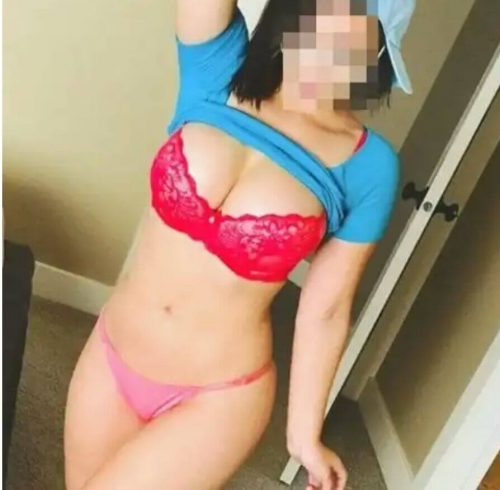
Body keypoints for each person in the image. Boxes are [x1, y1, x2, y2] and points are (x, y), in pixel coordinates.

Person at [63, 0, 415, 488]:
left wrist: (304, 435)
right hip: (112, 350)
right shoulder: (218, 67)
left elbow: (327, 309)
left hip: (216, 397)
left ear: (376, 53)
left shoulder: (370, 165)